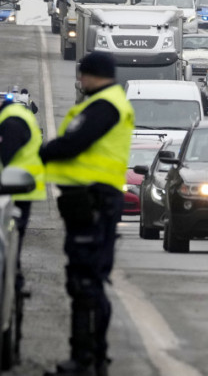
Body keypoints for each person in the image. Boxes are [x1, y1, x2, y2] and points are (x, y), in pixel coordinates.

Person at [40, 52, 134, 376]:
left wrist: (44, 151)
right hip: (88, 202)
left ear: (94, 75)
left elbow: (75, 143)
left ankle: (86, 360)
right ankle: (90, 357)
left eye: (82, 75)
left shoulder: (105, 106)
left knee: (86, 282)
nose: (79, 80)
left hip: (95, 202)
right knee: (85, 280)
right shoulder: (103, 103)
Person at [0, 84, 45, 350]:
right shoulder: (8, 117)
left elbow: (0, 161)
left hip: (16, 194)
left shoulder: (12, 122)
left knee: (8, 253)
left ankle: (13, 299)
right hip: (10, 193)